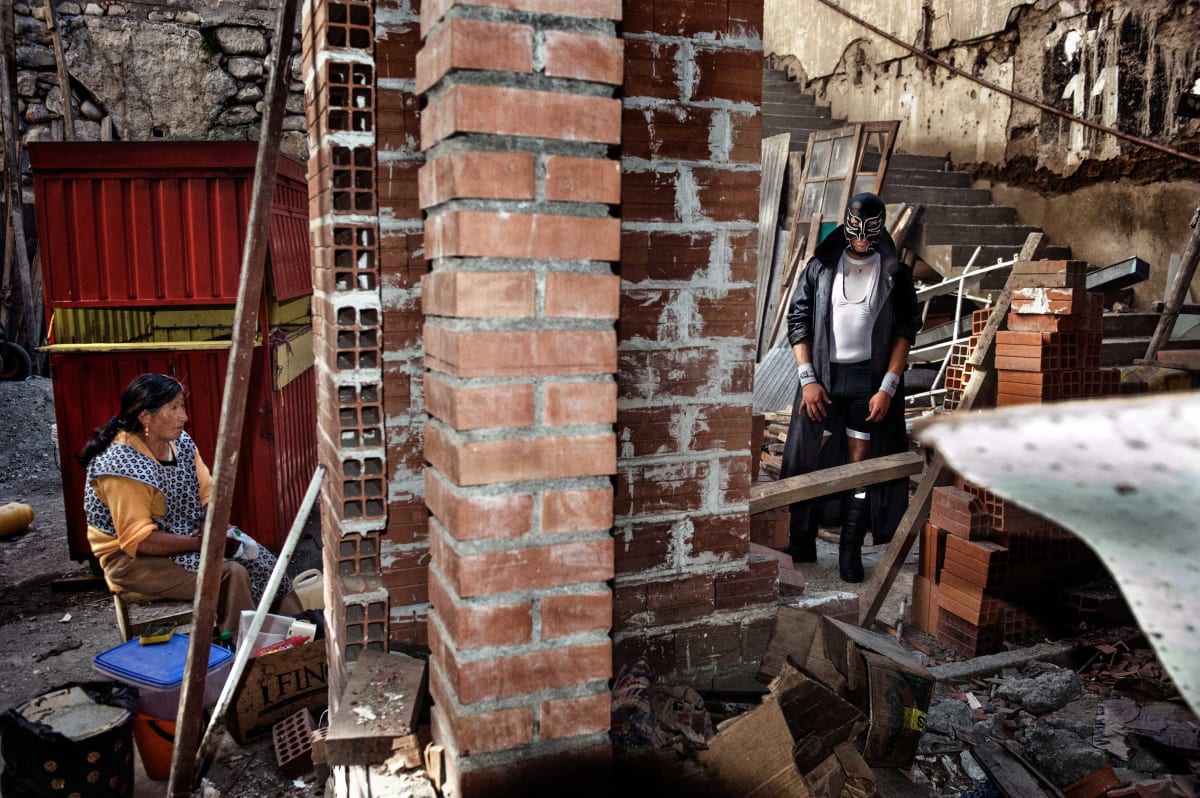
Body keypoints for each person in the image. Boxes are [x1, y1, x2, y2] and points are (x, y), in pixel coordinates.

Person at [78, 372, 302, 634]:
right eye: (173, 408)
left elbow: (208, 497)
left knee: (263, 561)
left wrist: (213, 525)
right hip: (131, 560)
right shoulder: (122, 464)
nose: (184, 416)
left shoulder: (180, 443)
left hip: (183, 538)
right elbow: (140, 541)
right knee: (230, 574)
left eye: (182, 406)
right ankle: (243, 656)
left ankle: (302, 633)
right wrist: (203, 542)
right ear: (146, 417)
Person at [779, 193, 922, 582]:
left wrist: (888, 387)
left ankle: (849, 549)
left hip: (868, 382)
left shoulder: (895, 273)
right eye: (855, 227)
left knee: (861, 460)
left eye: (870, 228)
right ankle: (801, 538)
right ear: (845, 224)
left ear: (882, 227)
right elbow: (799, 320)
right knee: (812, 452)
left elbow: (905, 332)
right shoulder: (821, 267)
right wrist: (807, 379)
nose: (861, 237)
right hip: (823, 378)